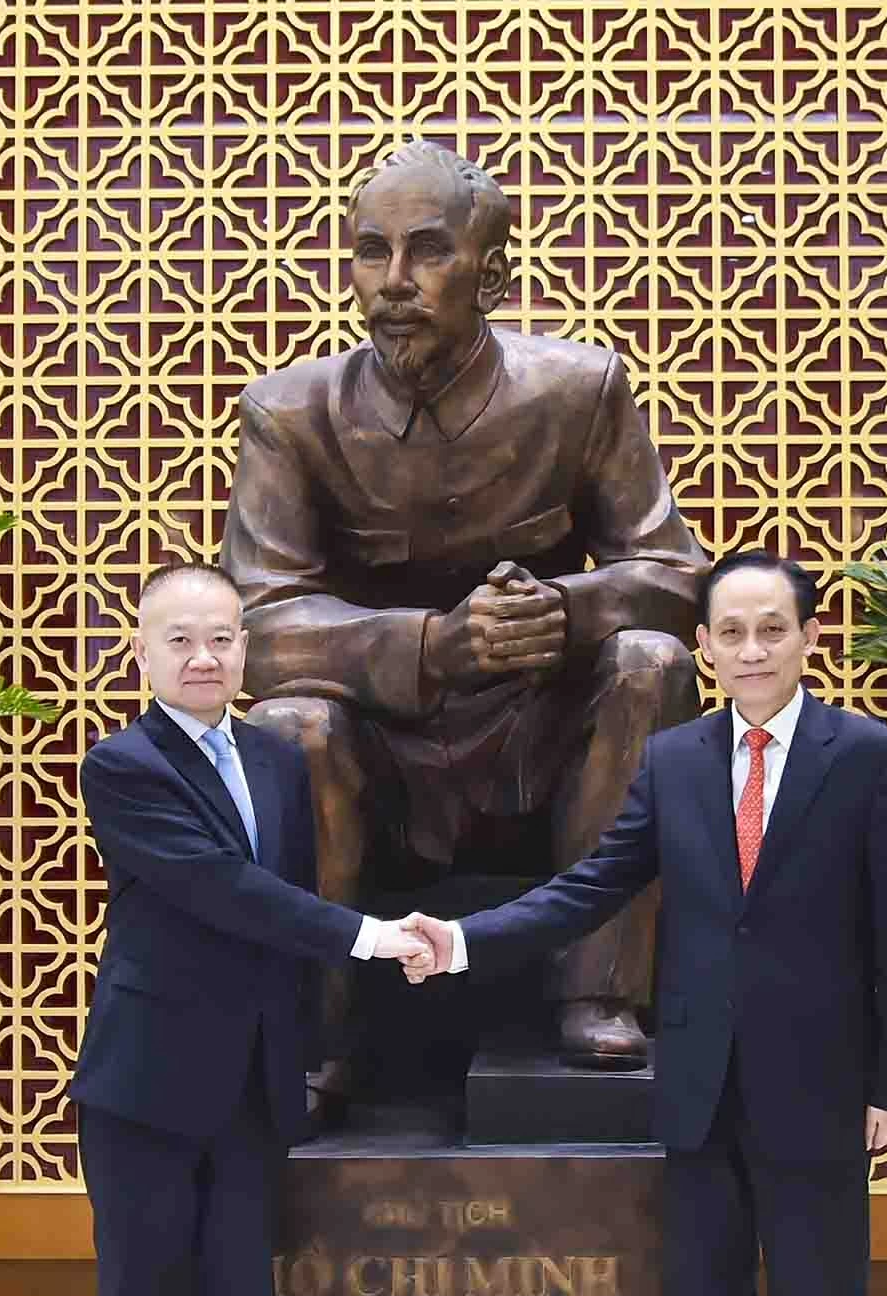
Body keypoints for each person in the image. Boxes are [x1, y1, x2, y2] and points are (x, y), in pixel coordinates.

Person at [400, 551, 887, 1296]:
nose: (749, 649)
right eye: (729, 631)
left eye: (769, 629)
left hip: (820, 1090)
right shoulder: (676, 760)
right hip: (695, 1086)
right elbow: (588, 887)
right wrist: (462, 942)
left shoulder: (870, 757)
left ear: (807, 639)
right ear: (702, 647)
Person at [224, 138, 708, 1077]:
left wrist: (568, 612)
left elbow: (676, 575)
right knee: (289, 723)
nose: (394, 281)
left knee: (652, 662)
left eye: (428, 251)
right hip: (379, 749)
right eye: (372, 251)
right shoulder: (290, 414)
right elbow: (260, 624)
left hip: (543, 735)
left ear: (490, 278)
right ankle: (316, 1034)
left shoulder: (581, 390)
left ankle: (599, 993)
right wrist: (430, 648)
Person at [71, 562, 431, 1296]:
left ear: (247, 649)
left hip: (254, 1076)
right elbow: (228, 892)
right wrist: (368, 935)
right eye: (180, 638)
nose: (203, 656)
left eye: (221, 637)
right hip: (145, 1081)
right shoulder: (123, 763)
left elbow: (288, 904)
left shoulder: (276, 760)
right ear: (142, 652)